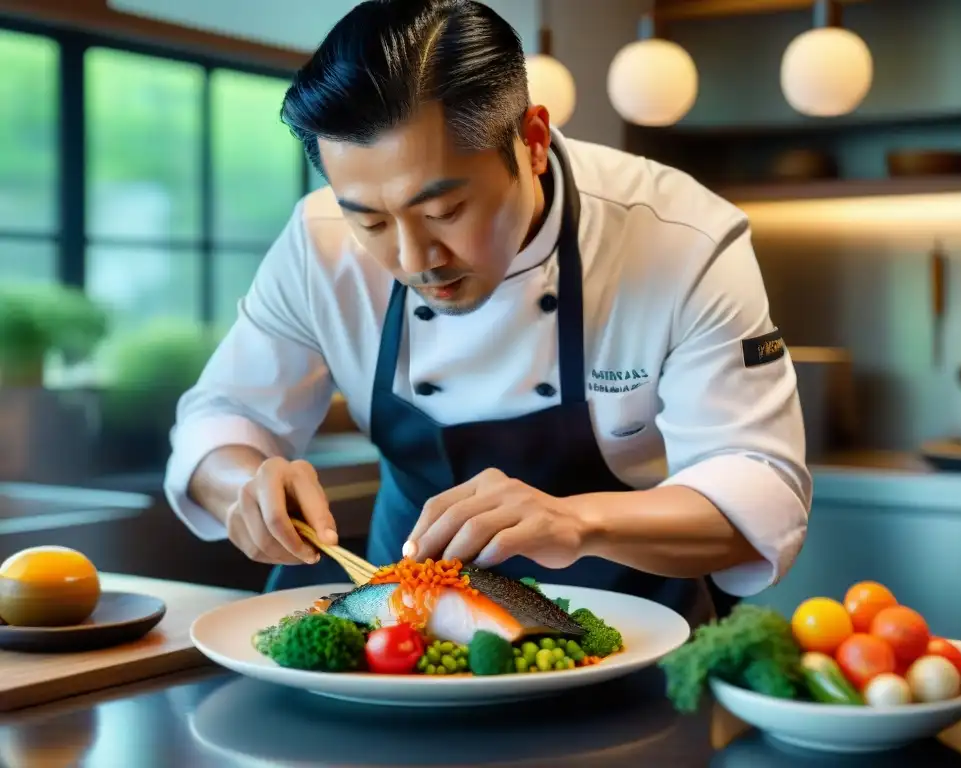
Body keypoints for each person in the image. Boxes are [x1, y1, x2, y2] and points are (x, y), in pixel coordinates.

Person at [163, 0, 811, 627]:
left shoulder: (682, 239)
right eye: (371, 220)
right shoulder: (318, 242)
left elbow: (761, 489)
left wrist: (575, 521)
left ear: (530, 141)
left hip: (634, 630)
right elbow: (224, 419)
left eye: (444, 213)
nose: (416, 258)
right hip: (401, 626)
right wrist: (246, 485)